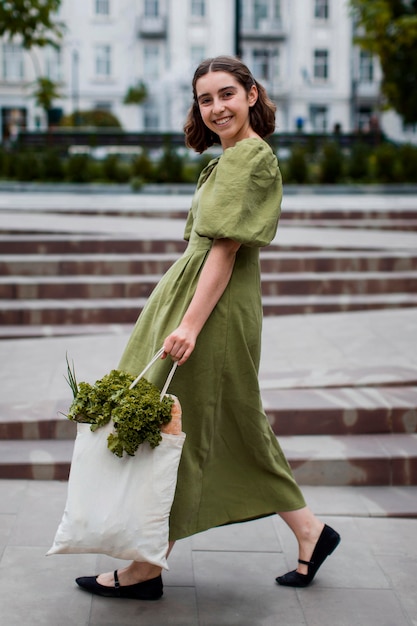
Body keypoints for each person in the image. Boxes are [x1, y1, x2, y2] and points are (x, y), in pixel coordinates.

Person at [75, 55, 340, 600]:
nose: (216, 107)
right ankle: (310, 531)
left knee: (180, 424)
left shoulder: (249, 159)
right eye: (205, 98)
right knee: (231, 419)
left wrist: (190, 327)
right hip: (201, 297)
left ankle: (147, 568)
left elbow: (224, 249)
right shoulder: (232, 158)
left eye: (226, 94)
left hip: (211, 306)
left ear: (251, 94)